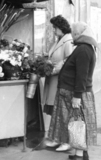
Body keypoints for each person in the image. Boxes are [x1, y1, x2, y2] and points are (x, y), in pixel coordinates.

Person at [47, 22, 97, 160]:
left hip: (75, 93)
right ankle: (80, 153)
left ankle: (79, 155)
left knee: (78, 124)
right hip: (72, 92)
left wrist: (77, 96)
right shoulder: (83, 48)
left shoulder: (83, 50)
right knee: (77, 123)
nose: (73, 36)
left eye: (74, 33)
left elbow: (82, 75)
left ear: (79, 34)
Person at [43, 15, 74, 151]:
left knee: (62, 111)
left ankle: (66, 141)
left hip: (60, 80)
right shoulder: (59, 40)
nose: (54, 31)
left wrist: (53, 69)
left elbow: (68, 60)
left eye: (55, 28)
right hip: (54, 80)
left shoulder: (68, 41)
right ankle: (57, 138)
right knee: (56, 112)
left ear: (61, 28)